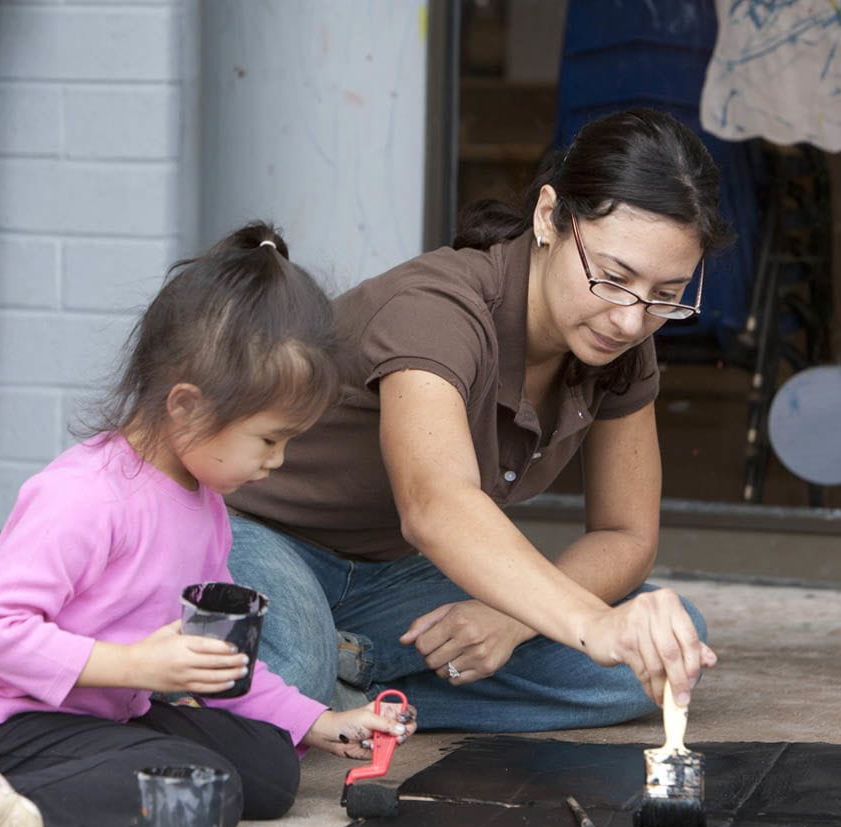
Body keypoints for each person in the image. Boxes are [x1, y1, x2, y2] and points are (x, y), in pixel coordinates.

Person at [0, 223, 417, 827]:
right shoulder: (85, 498)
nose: (279, 461)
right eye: (269, 438)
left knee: (270, 769)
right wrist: (135, 668)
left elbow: (216, 662)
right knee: (198, 792)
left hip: (94, 718)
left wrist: (322, 723)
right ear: (186, 407)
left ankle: (24, 795)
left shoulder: (206, 509)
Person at [224, 108, 729, 731]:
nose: (631, 320)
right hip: (257, 536)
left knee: (659, 650)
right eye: (613, 277)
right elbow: (436, 505)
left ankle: (348, 681)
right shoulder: (438, 308)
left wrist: (513, 621)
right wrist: (585, 622)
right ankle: (322, 677)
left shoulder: (620, 340)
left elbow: (626, 535)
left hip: (390, 577)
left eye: (666, 294)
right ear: (550, 217)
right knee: (290, 673)